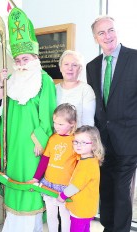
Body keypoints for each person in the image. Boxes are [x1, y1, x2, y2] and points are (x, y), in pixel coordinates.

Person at [0, 7, 56, 232]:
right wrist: (1, 86)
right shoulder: (9, 79)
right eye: (18, 59)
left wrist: (40, 139)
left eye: (25, 58)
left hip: (32, 147)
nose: (21, 63)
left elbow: (49, 113)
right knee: (14, 182)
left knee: (30, 184)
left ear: (35, 57)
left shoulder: (45, 80)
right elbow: (0, 110)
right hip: (12, 142)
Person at [86, 15, 137, 232]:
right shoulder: (92, 66)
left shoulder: (134, 58)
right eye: (102, 33)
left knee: (122, 190)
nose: (108, 36)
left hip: (129, 139)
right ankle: (108, 227)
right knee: (105, 188)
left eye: (111, 30)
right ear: (95, 38)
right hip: (102, 141)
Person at [28, 103, 78, 232]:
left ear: (72, 123)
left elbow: (79, 166)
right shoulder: (53, 138)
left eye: (60, 124)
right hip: (48, 184)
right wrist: (35, 178)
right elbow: (44, 160)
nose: (56, 126)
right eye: (54, 122)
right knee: (51, 215)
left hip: (65, 187)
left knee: (65, 216)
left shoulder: (76, 141)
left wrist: (75, 186)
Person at [58, 125, 104, 232]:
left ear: (94, 145)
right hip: (87, 208)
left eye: (83, 142)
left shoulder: (87, 166)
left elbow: (75, 186)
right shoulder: (90, 159)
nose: (78, 145)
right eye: (76, 141)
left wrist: (62, 196)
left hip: (81, 209)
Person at [56, 50, 95, 127]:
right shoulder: (53, 89)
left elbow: (88, 123)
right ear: (60, 68)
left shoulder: (86, 90)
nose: (70, 68)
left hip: (78, 137)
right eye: (66, 64)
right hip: (55, 137)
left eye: (74, 65)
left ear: (80, 69)